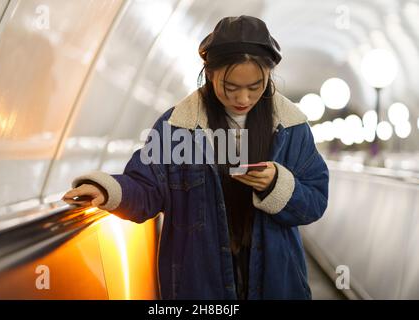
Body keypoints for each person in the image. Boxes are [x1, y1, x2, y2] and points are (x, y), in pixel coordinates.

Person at [63, 15, 329, 300]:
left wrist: (276, 184)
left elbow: (314, 201)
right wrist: (108, 191)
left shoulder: (291, 127)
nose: (243, 98)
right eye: (230, 87)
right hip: (199, 279)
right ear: (210, 73)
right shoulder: (178, 126)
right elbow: (147, 187)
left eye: (255, 87)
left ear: (269, 76)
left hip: (276, 278)